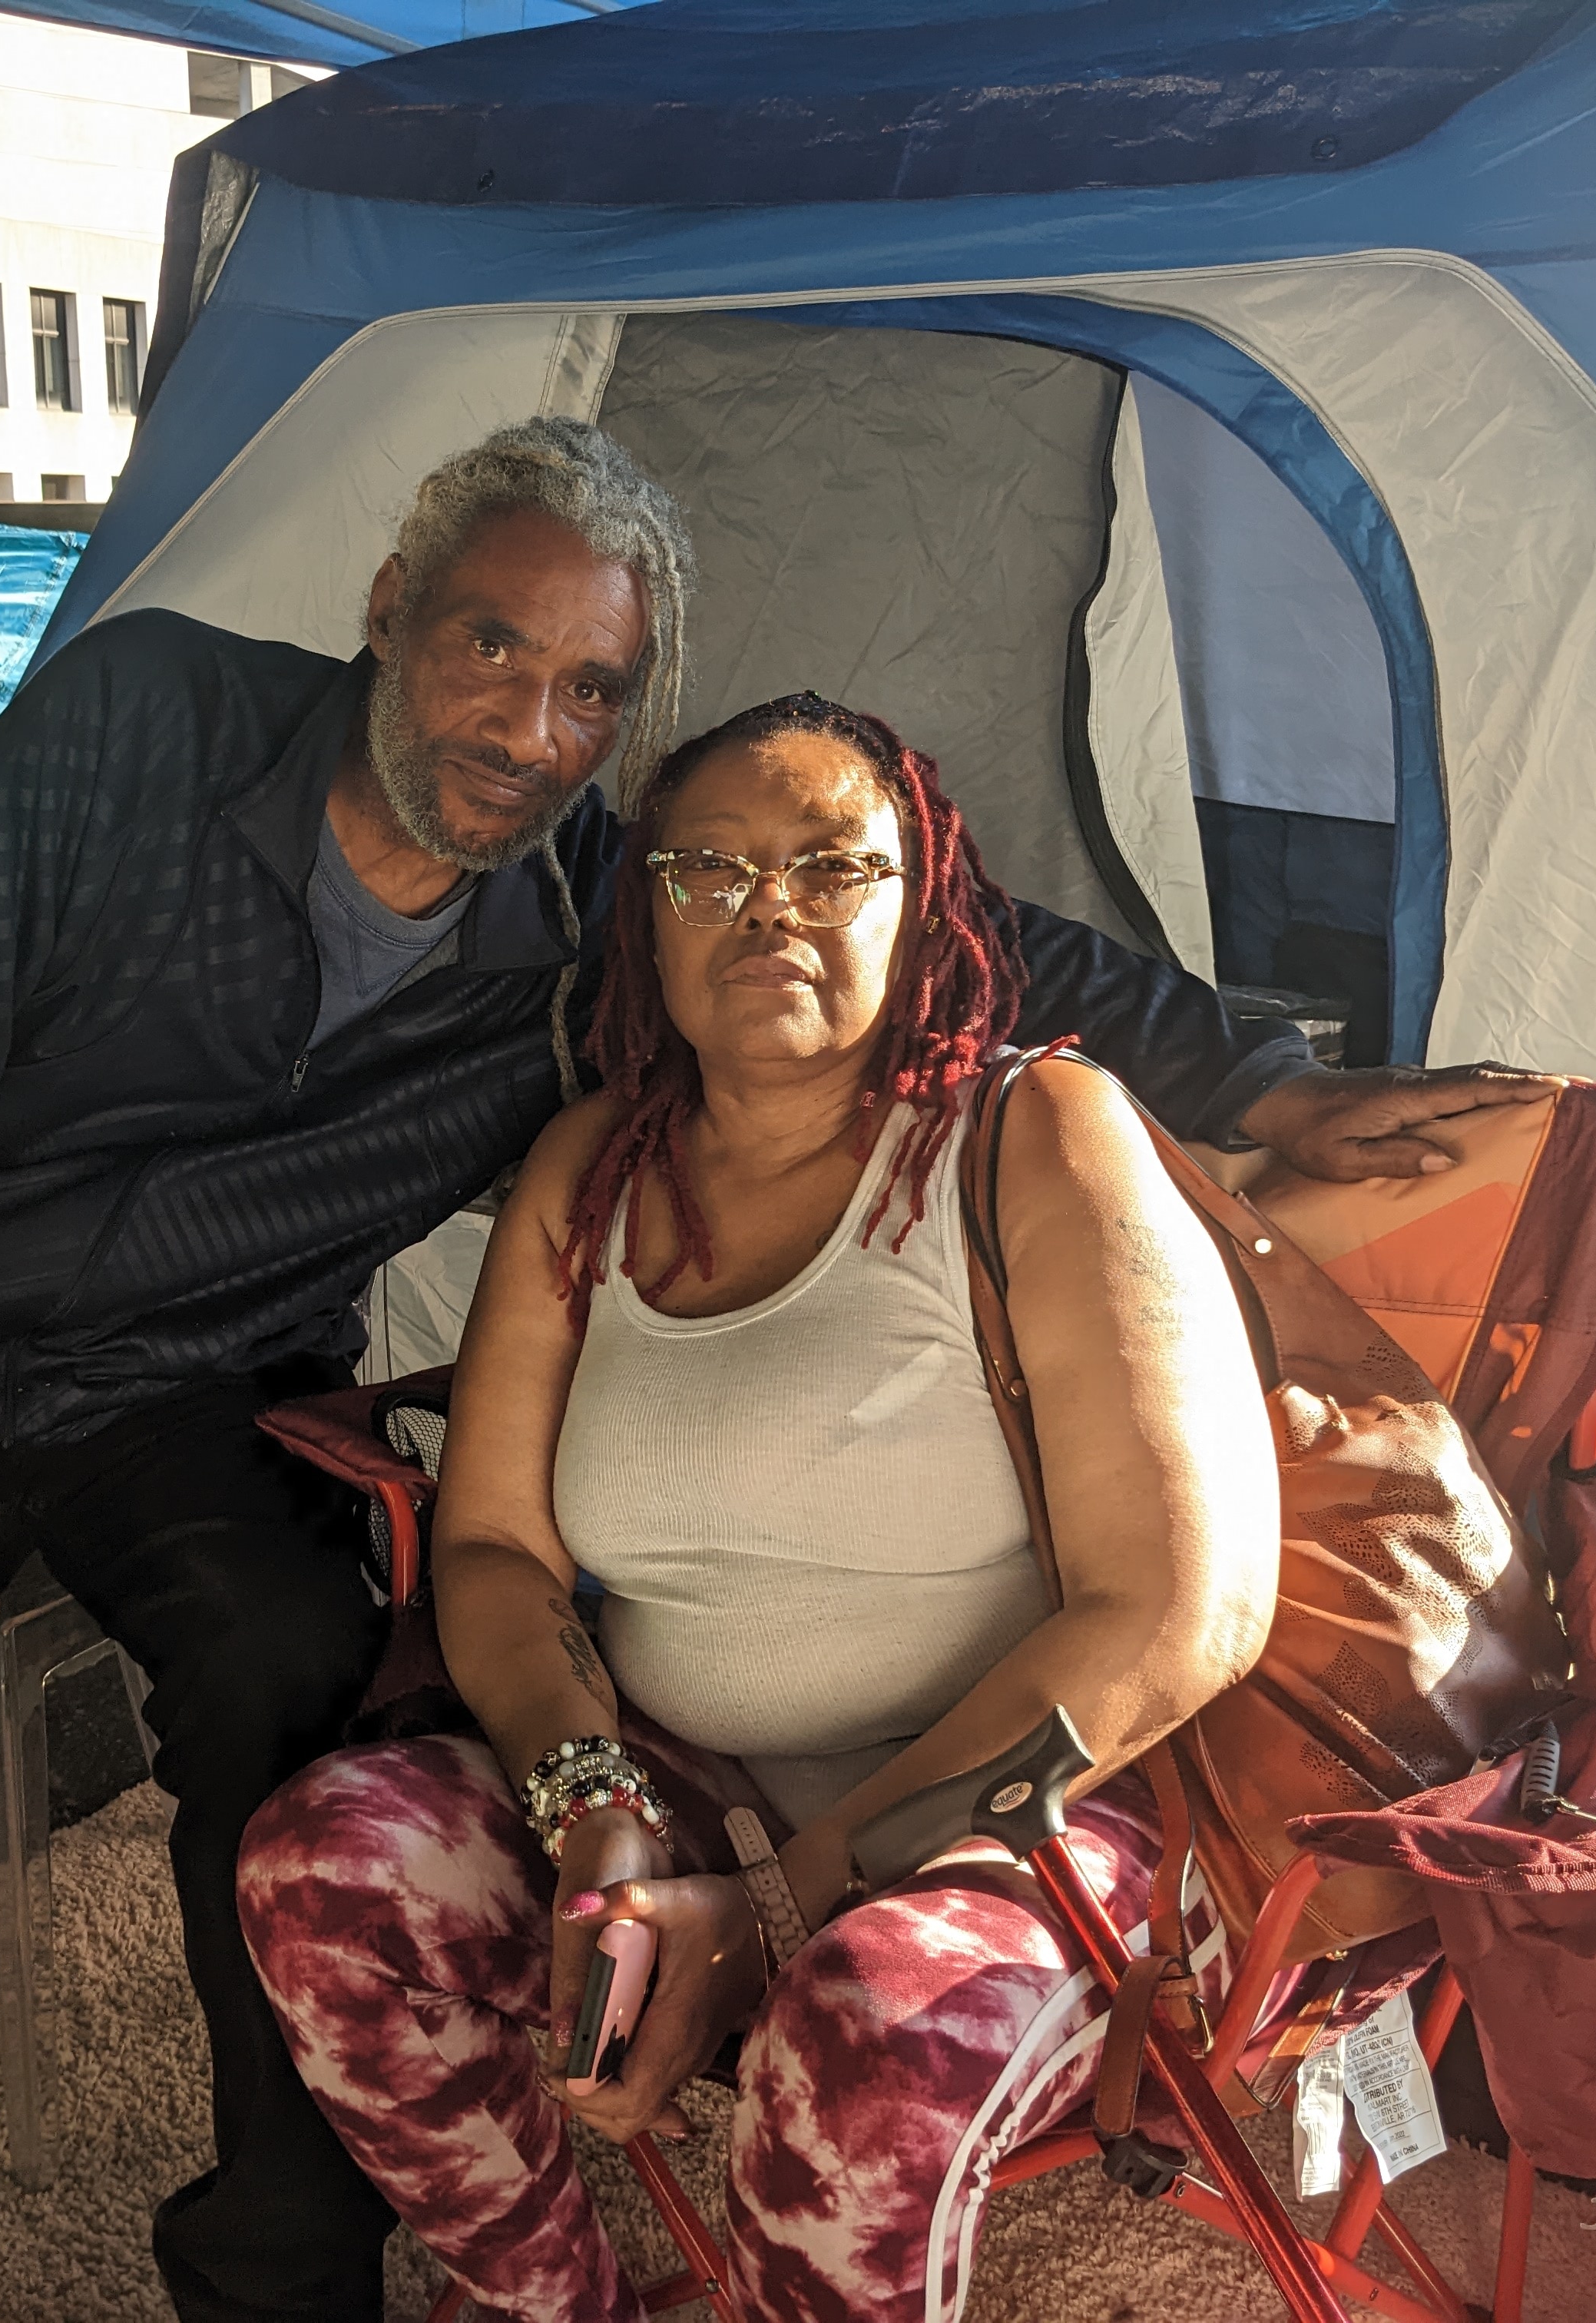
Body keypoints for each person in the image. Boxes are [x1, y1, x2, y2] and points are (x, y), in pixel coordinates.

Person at [0, 419, 1546, 2323]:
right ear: (392, 608)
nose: (526, 730)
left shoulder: (589, 912)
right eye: (488, 646)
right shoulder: (145, 729)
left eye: (589, 691)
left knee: (295, 1683)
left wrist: (1264, 1081)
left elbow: (923, 916)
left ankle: (283, 2289)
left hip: (192, 1390)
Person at [235, 692, 1305, 2321]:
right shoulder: (590, 1169)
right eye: (710, 871)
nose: (768, 910)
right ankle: (558, 2306)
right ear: (648, 921)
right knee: (324, 1874)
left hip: (1040, 1819)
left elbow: (1181, 1610)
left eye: (832, 866)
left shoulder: (1034, 1136)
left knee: (860, 2031)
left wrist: (792, 1898)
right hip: (678, 1786)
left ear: (923, 906)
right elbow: (499, 1546)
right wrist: (592, 1809)